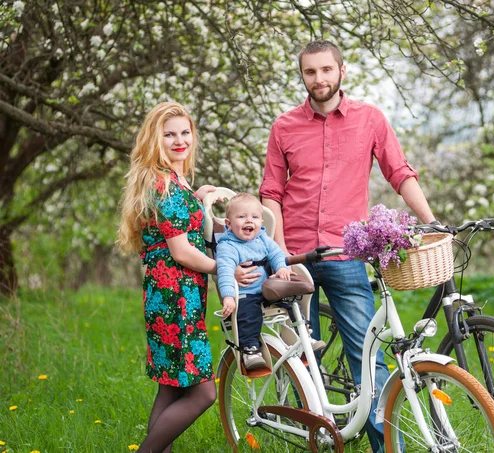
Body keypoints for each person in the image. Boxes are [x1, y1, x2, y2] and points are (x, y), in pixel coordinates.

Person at [257, 40, 437, 452]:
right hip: (295, 258)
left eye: (326, 70)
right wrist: (278, 252)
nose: (318, 79)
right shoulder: (283, 127)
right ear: (301, 75)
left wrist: (431, 222)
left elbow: (400, 173)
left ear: (342, 71)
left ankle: (385, 447)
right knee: (304, 364)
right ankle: (316, 440)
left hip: (344, 254)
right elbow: (272, 193)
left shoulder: (370, 119)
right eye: (309, 72)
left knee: (369, 359)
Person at [117, 102, 239, 453]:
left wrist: (201, 198)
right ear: (155, 139)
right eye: (169, 134)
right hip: (175, 296)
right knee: (203, 392)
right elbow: (182, 251)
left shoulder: (175, 180)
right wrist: (224, 268)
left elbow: (186, 229)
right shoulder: (164, 183)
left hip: (171, 291)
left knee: (171, 386)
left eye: (185, 132)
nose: (179, 140)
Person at [216, 192, 326, 370]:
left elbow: (276, 254)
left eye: (255, 217)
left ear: (261, 221)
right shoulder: (228, 246)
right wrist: (228, 296)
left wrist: (281, 267)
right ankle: (250, 350)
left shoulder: (263, 239)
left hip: (268, 290)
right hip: (247, 292)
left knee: (292, 304)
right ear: (228, 224)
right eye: (242, 217)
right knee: (248, 315)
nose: (249, 221)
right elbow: (226, 272)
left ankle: (303, 337)